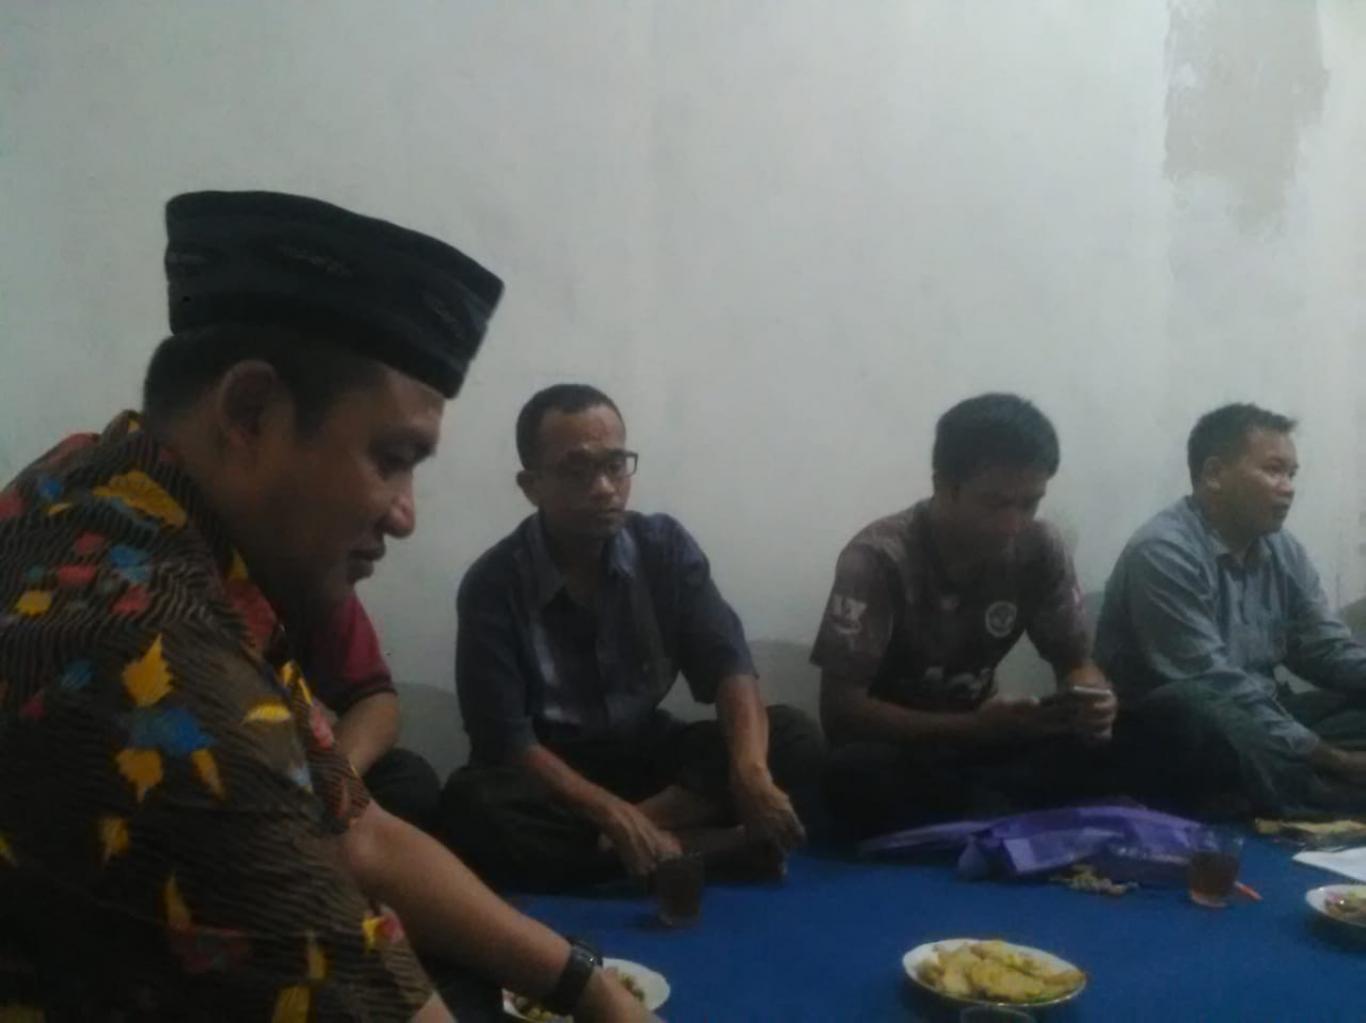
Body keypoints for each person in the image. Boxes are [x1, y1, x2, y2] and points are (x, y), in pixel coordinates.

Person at [0, 191, 649, 1022]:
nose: (405, 515)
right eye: (392, 457)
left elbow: (358, 827)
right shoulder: (162, 675)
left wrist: (592, 987)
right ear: (249, 413)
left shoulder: (98, 475)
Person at [442, 384, 824, 891]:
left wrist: (750, 773)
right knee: (472, 807)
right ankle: (701, 848)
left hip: (647, 755)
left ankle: (630, 850)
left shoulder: (662, 548)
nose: (604, 488)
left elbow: (729, 665)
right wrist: (608, 812)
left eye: (615, 465)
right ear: (531, 486)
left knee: (793, 737)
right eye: (577, 470)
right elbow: (506, 740)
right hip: (555, 773)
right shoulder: (493, 584)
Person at [813, 393, 1117, 839]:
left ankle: (987, 815)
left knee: (1166, 723)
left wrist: (1092, 700)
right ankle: (1012, 814)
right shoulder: (879, 558)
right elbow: (841, 713)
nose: (1014, 524)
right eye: (995, 504)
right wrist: (973, 729)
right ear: (944, 486)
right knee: (853, 776)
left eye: (1030, 503)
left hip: (991, 742)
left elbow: (1075, 662)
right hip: (904, 750)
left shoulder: (1039, 547)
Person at [1096, 403, 1366, 818]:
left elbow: (1324, 647)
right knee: (1194, 708)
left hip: (1264, 717)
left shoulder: (1283, 549)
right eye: (1274, 471)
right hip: (1180, 731)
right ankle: (1326, 793)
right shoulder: (1163, 551)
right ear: (1214, 474)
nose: (1288, 488)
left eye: (1292, 474)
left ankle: (1287, 785)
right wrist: (1335, 759)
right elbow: (1212, 682)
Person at [300, 593, 442, 831]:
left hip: (305, 779)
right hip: (243, 783)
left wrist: (329, 783)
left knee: (408, 778)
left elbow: (376, 702)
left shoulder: (324, 590)